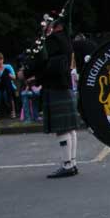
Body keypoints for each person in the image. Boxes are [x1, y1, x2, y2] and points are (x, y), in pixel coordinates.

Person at [33, 16, 81, 178]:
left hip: (55, 87)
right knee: (70, 128)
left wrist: (31, 75)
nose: (46, 27)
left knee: (63, 129)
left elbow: (46, 63)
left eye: (49, 24)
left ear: (56, 26)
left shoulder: (53, 40)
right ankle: (71, 163)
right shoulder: (66, 40)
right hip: (64, 86)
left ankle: (67, 165)